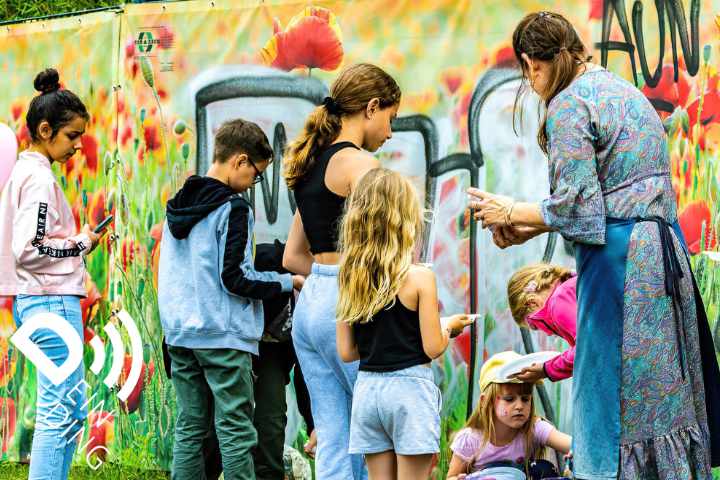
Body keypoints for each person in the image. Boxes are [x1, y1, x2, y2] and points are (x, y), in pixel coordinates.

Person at [467, 11, 720, 479]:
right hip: (661, 259)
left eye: (528, 73)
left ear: (531, 62)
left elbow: (578, 207)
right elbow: (602, 202)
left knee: (615, 400)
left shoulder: (568, 104)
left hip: (622, 269)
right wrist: (528, 225)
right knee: (658, 395)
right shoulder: (622, 91)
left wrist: (511, 210)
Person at [158, 118, 303, 479]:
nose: (254, 183)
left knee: (191, 427)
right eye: (256, 174)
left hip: (180, 335)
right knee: (236, 429)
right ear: (240, 160)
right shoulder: (234, 208)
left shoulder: (177, 205)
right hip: (222, 337)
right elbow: (236, 277)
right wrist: (287, 282)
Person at [283, 63, 401, 479]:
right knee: (377, 427)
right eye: (390, 118)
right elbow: (380, 252)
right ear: (371, 107)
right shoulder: (361, 165)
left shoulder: (310, 165)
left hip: (311, 305)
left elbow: (292, 257)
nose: (390, 132)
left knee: (334, 434)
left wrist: (327, 277)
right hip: (348, 302)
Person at [335, 168, 472, 479]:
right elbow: (432, 347)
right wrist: (448, 327)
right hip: (409, 392)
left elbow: (347, 351)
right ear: (405, 220)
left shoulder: (348, 277)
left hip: (368, 392)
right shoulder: (420, 277)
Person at [0, 68, 101, 480]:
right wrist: (81, 243)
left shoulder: (26, 174)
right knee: (60, 410)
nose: (78, 145)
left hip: (42, 301)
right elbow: (29, 247)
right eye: (72, 135)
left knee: (68, 409)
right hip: (49, 301)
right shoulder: (39, 179)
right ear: (45, 130)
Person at [446, 351, 572, 480]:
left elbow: (572, 445)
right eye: (509, 399)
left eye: (525, 399)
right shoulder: (470, 439)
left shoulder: (533, 428)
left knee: (543, 468)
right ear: (485, 401)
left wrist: (575, 452)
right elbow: (451, 476)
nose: (519, 406)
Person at [507, 263, 576, 383]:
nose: (548, 333)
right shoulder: (570, 287)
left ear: (532, 303)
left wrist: (547, 369)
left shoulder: (558, 302)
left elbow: (586, 348)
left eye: (535, 326)